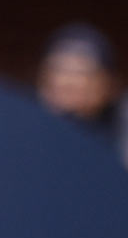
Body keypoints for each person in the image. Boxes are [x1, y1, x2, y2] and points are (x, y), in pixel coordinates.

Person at [35, 22, 123, 152]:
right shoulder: (28, 132)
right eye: (58, 70)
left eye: (82, 72)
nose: (66, 82)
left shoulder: (121, 134)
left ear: (108, 85)